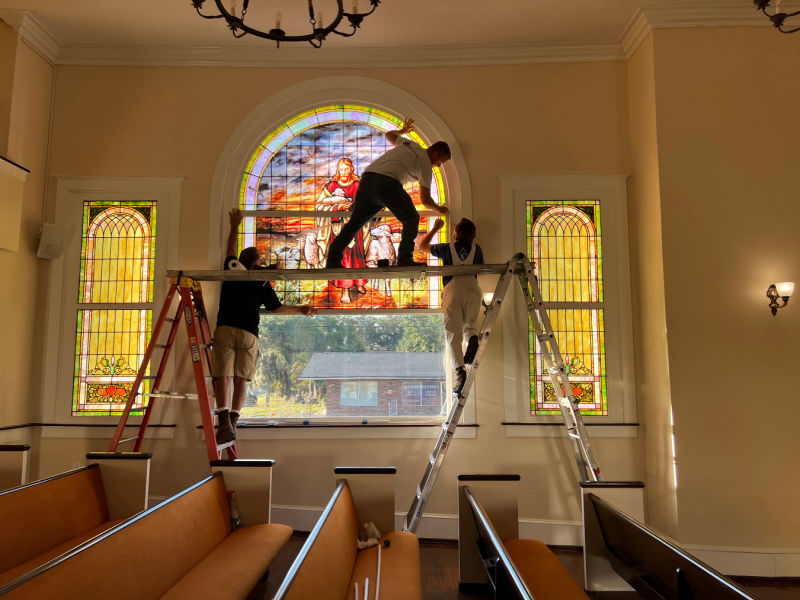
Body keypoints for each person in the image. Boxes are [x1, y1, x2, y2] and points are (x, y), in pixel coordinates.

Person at [212, 207, 315, 444]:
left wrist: (235, 225)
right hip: (248, 332)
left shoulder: (232, 269)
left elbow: (230, 248)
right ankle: (233, 421)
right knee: (241, 379)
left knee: (223, 375)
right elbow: (276, 308)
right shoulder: (261, 281)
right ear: (257, 264)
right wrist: (301, 309)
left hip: (225, 328)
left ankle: (223, 420)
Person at [325, 118, 450, 268]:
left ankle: (332, 260)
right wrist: (439, 208)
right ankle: (405, 259)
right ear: (435, 155)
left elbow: (389, 135)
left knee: (355, 224)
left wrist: (403, 131)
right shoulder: (426, 164)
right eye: (440, 162)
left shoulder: (410, 144)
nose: (438, 166)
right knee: (411, 218)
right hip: (386, 183)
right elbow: (425, 200)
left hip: (367, 180)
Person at [417, 217, 484, 394]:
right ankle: (473, 340)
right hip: (472, 290)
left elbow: (422, 246)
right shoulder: (477, 250)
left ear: (456, 233)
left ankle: (460, 373)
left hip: (453, 291)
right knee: (470, 326)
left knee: (453, 334)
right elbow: (480, 272)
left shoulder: (446, 249)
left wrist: (435, 228)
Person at [315, 158, 368, 303]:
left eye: (346, 169)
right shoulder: (331, 186)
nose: (343, 172)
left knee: (357, 256)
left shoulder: (358, 185)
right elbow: (319, 207)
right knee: (343, 257)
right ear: (338, 170)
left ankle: (359, 282)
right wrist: (338, 207)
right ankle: (345, 291)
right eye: (341, 169)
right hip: (337, 228)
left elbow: (367, 202)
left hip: (355, 227)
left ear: (352, 169)